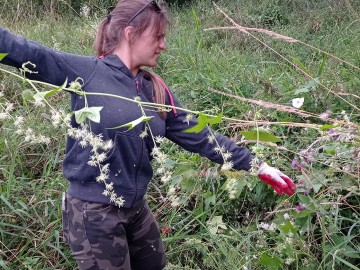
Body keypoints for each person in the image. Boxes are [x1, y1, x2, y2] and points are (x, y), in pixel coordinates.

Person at [0, 0, 296, 269]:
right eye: (158, 37)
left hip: (135, 208)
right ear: (130, 33)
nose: (163, 45)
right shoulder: (87, 72)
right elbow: (26, 52)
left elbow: (201, 136)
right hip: (93, 213)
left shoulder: (154, 90)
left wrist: (259, 166)